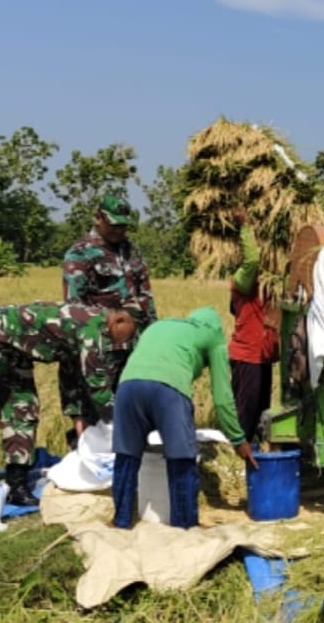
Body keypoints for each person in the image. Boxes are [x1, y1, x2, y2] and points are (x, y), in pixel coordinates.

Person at [0, 302, 137, 507]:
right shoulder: (92, 332)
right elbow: (98, 389)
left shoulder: (100, 332)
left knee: (22, 411)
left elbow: (73, 381)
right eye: (116, 343)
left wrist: (80, 420)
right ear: (113, 325)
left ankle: (17, 486)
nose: (116, 349)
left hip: (17, 350)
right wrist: (123, 421)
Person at [110, 306, 258, 529]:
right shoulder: (213, 336)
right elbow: (222, 398)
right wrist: (237, 439)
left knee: (126, 457)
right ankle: (184, 526)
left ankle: (121, 521)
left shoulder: (159, 325)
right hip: (169, 392)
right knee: (181, 458)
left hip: (128, 387)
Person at [59, 193, 156, 442]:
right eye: (114, 224)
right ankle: (85, 453)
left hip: (133, 347)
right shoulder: (80, 254)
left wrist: (153, 334)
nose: (119, 230)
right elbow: (74, 308)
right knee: (89, 407)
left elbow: (145, 295)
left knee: (131, 404)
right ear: (99, 218)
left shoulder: (131, 251)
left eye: (123, 225)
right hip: (99, 348)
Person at [228, 208, 279, 450]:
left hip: (263, 356)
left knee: (261, 410)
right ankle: (238, 452)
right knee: (245, 410)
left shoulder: (270, 282)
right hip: (247, 356)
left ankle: (257, 451)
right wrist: (245, 227)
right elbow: (252, 260)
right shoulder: (244, 278)